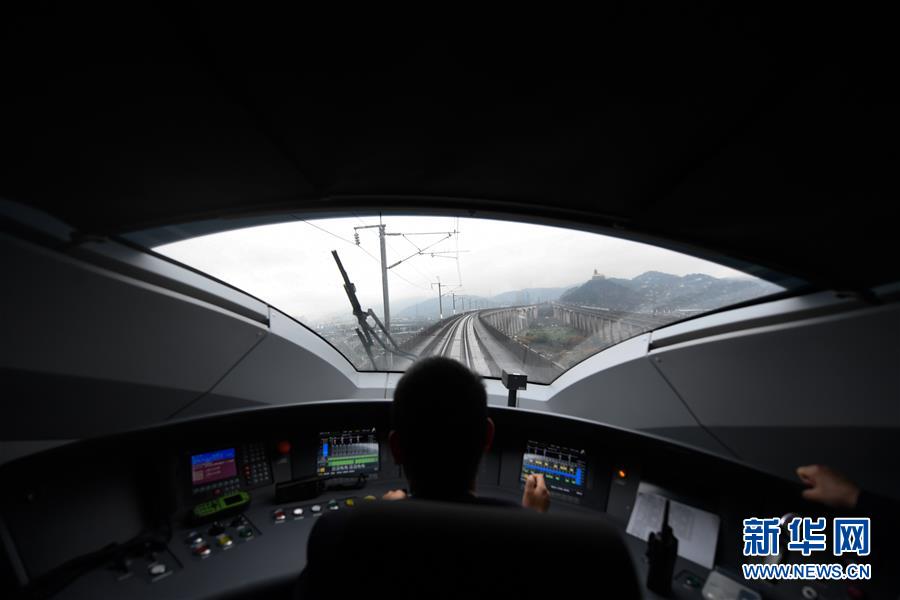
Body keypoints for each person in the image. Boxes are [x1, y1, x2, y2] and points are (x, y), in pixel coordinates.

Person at [381, 356, 550, 512]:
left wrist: (390, 512)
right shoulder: (523, 525)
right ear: (488, 436)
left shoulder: (374, 522)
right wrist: (534, 515)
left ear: (396, 448)